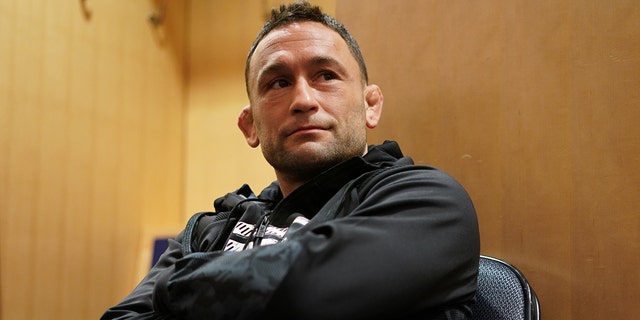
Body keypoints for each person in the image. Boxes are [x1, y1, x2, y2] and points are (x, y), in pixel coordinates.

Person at [102, 1, 480, 319]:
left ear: (370, 105)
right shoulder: (207, 230)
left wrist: (177, 283)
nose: (303, 100)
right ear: (250, 126)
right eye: (278, 83)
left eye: (326, 76)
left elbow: (304, 292)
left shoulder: (428, 202)